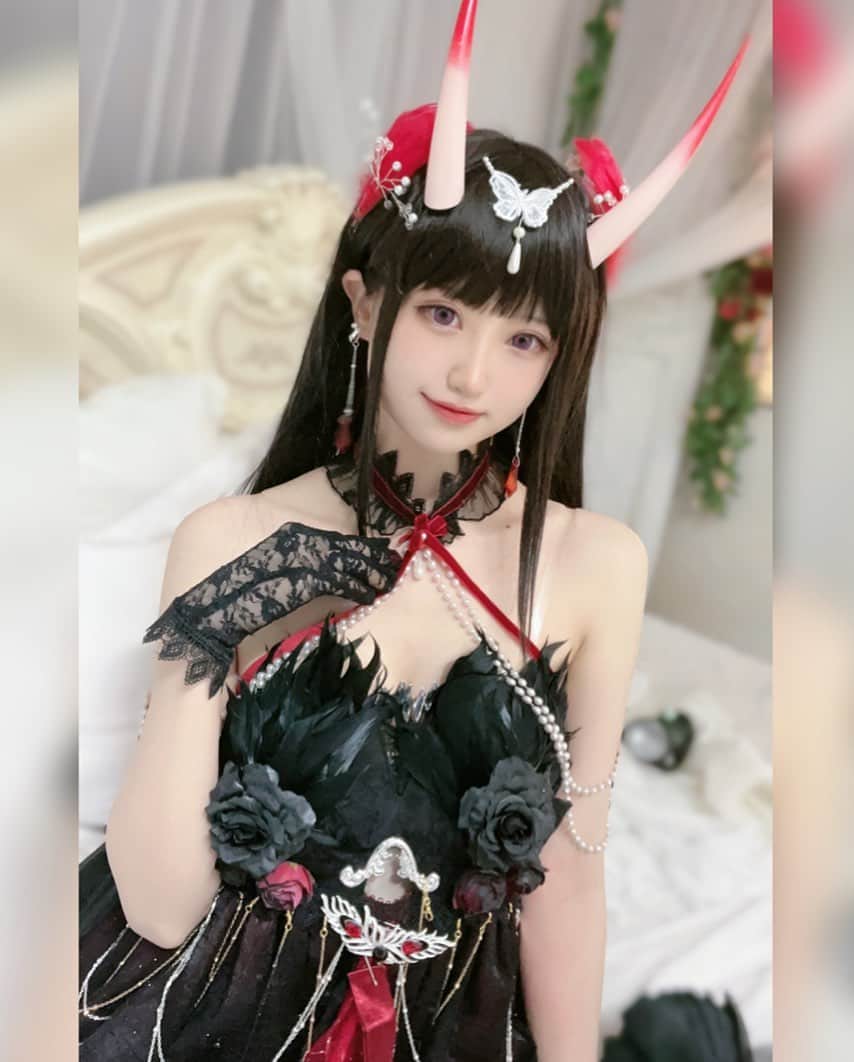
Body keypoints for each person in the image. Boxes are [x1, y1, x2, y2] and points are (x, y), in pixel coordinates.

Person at [78, 3, 748, 1059]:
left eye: (523, 339)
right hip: (214, 1012)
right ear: (362, 301)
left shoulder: (595, 564)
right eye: (442, 313)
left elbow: (570, 881)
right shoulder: (230, 539)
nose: (472, 373)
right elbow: (160, 910)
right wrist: (214, 626)